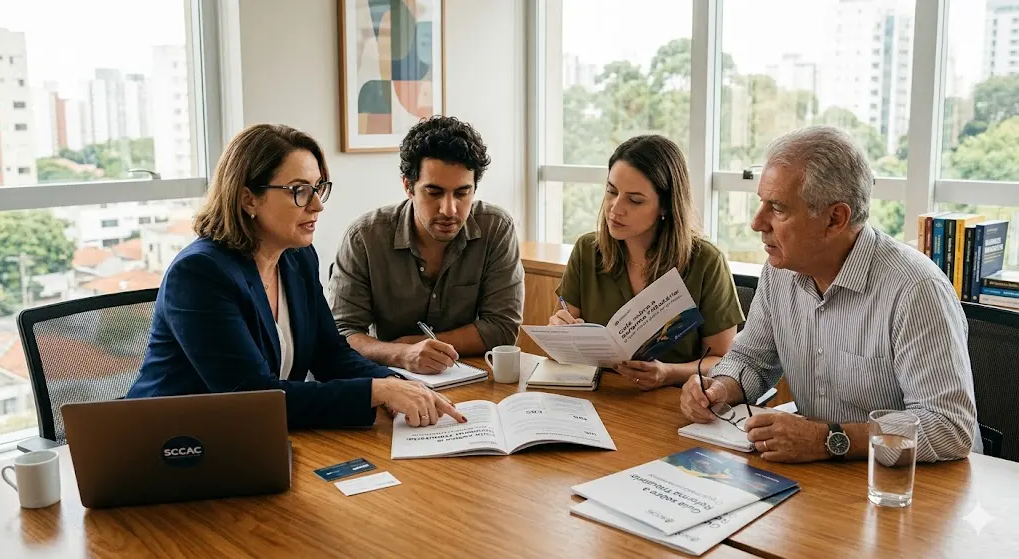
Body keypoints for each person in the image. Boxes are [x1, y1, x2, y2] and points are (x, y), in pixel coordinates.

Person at [127, 124, 466, 429]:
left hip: (249, 443)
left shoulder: (296, 258)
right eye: (299, 190)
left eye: (319, 188)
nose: (317, 205)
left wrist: (399, 385)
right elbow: (252, 397)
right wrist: (377, 391)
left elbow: (330, 355)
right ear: (248, 198)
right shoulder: (200, 274)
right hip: (170, 446)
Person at [680, 125, 981, 463]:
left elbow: (949, 428)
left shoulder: (915, 290)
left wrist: (830, 439)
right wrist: (720, 388)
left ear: (835, 218)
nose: (757, 222)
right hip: (824, 479)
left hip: (913, 488)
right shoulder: (779, 272)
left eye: (777, 208)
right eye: (761, 203)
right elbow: (751, 360)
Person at [329, 116, 524, 374]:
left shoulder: (496, 228)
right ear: (408, 186)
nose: (449, 209)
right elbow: (342, 334)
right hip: (389, 377)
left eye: (462, 193)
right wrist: (400, 354)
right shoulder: (364, 238)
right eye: (434, 192)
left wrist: (423, 345)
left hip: (466, 376)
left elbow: (502, 327)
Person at [549, 135, 744, 390]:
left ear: (665, 206)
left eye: (635, 200)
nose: (615, 209)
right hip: (599, 393)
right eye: (611, 191)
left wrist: (668, 373)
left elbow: (723, 360)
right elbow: (564, 330)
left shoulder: (706, 262)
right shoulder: (587, 250)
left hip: (673, 401)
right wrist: (560, 331)